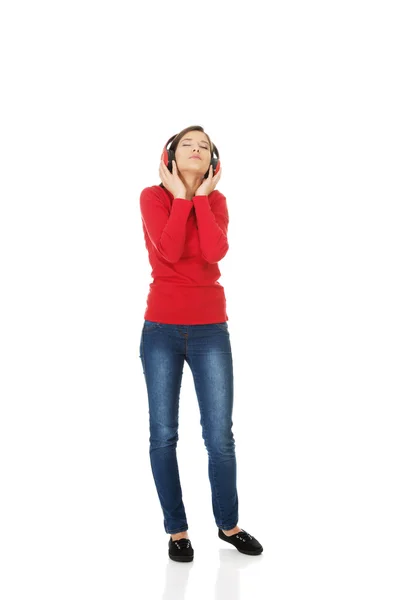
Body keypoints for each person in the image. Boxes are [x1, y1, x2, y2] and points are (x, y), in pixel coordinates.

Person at [139, 125, 263, 561]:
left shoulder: (217, 203)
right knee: (163, 434)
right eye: (187, 144)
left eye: (204, 146)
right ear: (169, 155)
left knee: (219, 436)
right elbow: (169, 252)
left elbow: (213, 252)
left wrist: (200, 199)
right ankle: (177, 532)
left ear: (213, 162)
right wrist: (180, 198)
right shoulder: (152, 198)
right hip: (161, 331)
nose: (196, 149)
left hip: (211, 328)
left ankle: (228, 527)